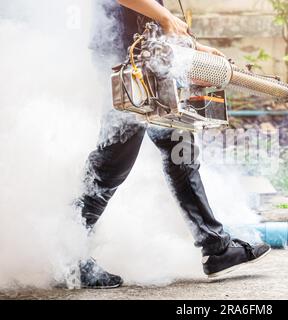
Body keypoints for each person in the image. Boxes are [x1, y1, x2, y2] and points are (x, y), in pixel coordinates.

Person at [76, 0, 271, 289]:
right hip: (122, 57)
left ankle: (216, 247)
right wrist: (166, 17)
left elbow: (152, 14)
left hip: (148, 59)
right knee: (114, 161)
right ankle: (69, 256)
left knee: (181, 148)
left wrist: (192, 46)